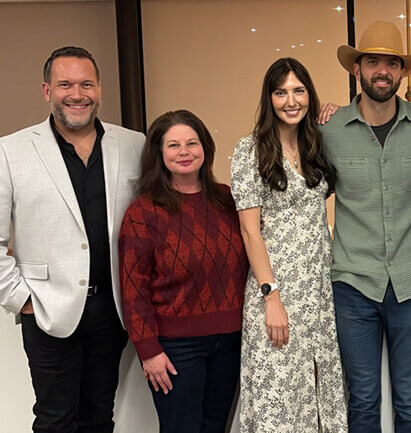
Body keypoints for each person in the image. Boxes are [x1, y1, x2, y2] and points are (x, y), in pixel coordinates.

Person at [0, 46, 143, 433]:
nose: (76, 94)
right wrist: (22, 300)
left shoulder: (134, 145)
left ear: (99, 89)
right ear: (47, 91)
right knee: (55, 420)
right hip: (47, 311)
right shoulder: (11, 150)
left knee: (99, 417)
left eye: (86, 84)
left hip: (112, 311)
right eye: (65, 84)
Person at [320, 20, 411, 433]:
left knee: (410, 401)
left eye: (391, 63)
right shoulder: (328, 131)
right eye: (373, 62)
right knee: (364, 399)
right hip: (353, 283)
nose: (382, 71)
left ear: (403, 71)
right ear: (357, 70)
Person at [230, 57, 347, 432]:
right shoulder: (250, 150)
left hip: (318, 291)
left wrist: (338, 116)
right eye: (281, 92)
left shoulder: (316, 145)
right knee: (276, 399)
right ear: (269, 98)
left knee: (314, 396)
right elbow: (250, 232)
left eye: (299, 91)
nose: (291, 100)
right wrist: (271, 297)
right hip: (276, 291)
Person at [119, 110, 247, 432]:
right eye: (174, 145)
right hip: (176, 348)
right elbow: (134, 290)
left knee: (216, 427)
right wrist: (149, 351)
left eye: (192, 142)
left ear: (206, 147)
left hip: (231, 341)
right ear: (160, 154)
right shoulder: (144, 211)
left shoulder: (229, 200)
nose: (185, 151)